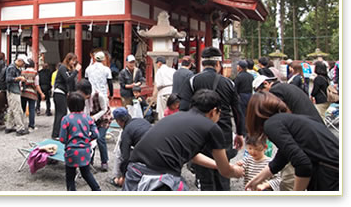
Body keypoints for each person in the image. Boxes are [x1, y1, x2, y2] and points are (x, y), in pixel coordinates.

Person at [123, 89, 244, 191]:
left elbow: (193, 156)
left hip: (134, 172)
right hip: (159, 177)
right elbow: (225, 172)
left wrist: (225, 166)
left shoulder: (175, 117)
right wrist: (235, 171)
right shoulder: (212, 127)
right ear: (213, 111)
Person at [245, 92, 339, 191]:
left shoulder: (271, 124)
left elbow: (302, 163)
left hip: (329, 173)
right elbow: (280, 159)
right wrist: (255, 181)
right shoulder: (289, 120)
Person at [188, 46, 245, 191]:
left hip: (199, 131)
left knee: (203, 169)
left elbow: (185, 108)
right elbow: (237, 111)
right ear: (218, 64)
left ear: (202, 64)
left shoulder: (193, 81)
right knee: (222, 167)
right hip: (223, 130)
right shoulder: (228, 83)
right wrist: (239, 133)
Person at [59, 92, 101, 191]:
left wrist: (70, 141)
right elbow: (96, 134)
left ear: (69, 105)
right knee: (86, 174)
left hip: (71, 152)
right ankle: (97, 190)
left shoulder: (66, 119)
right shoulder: (88, 118)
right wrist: (87, 140)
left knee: (70, 177)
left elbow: (62, 139)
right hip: (85, 151)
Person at [111, 107, 152, 187]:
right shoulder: (140, 120)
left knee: (122, 154)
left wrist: (123, 176)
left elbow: (125, 157)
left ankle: (118, 178)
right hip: (159, 146)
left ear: (118, 121)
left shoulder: (126, 132)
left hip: (147, 155)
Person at [51, 53, 80, 139]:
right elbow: (68, 79)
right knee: (61, 113)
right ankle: (56, 133)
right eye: (72, 60)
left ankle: (58, 132)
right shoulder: (62, 68)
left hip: (63, 92)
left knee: (61, 113)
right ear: (68, 60)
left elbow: (71, 82)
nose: (73, 62)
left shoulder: (68, 69)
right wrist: (76, 71)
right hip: (59, 92)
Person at [5, 55, 30, 136]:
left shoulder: (12, 67)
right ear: (20, 61)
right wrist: (19, 78)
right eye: (23, 63)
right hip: (13, 91)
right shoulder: (12, 68)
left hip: (11, 90)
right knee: (17, 110)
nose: (23, 65)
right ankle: (20, 128)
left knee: (11, 109)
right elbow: (8, 79)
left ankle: (9, 126)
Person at [21, 59, 45, 131]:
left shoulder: (22, 72)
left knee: (22, 109)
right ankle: (31, 125)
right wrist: (41, 93)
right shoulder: (35, 73)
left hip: (23, 92)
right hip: (32, 93)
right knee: (31, 109)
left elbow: (20, 83)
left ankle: (21, 124)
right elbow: (37, 84)